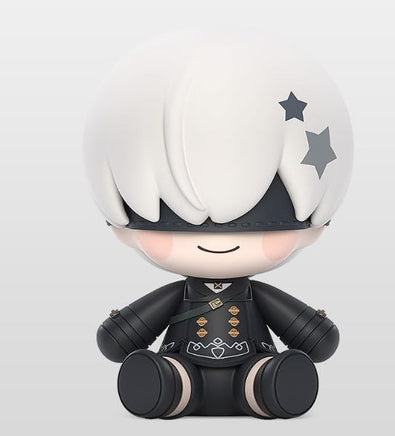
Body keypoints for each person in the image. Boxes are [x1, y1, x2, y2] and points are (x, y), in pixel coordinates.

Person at [83, 33, 353, 419]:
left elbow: (321, 342)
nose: (218, 237)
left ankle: (266, 386)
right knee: (173, 378)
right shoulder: (180, 295)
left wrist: (316, 335)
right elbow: (114, 342)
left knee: (262, 378)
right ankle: (170, 387)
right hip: (181, 365)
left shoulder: (255, 294)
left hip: (253, 365)